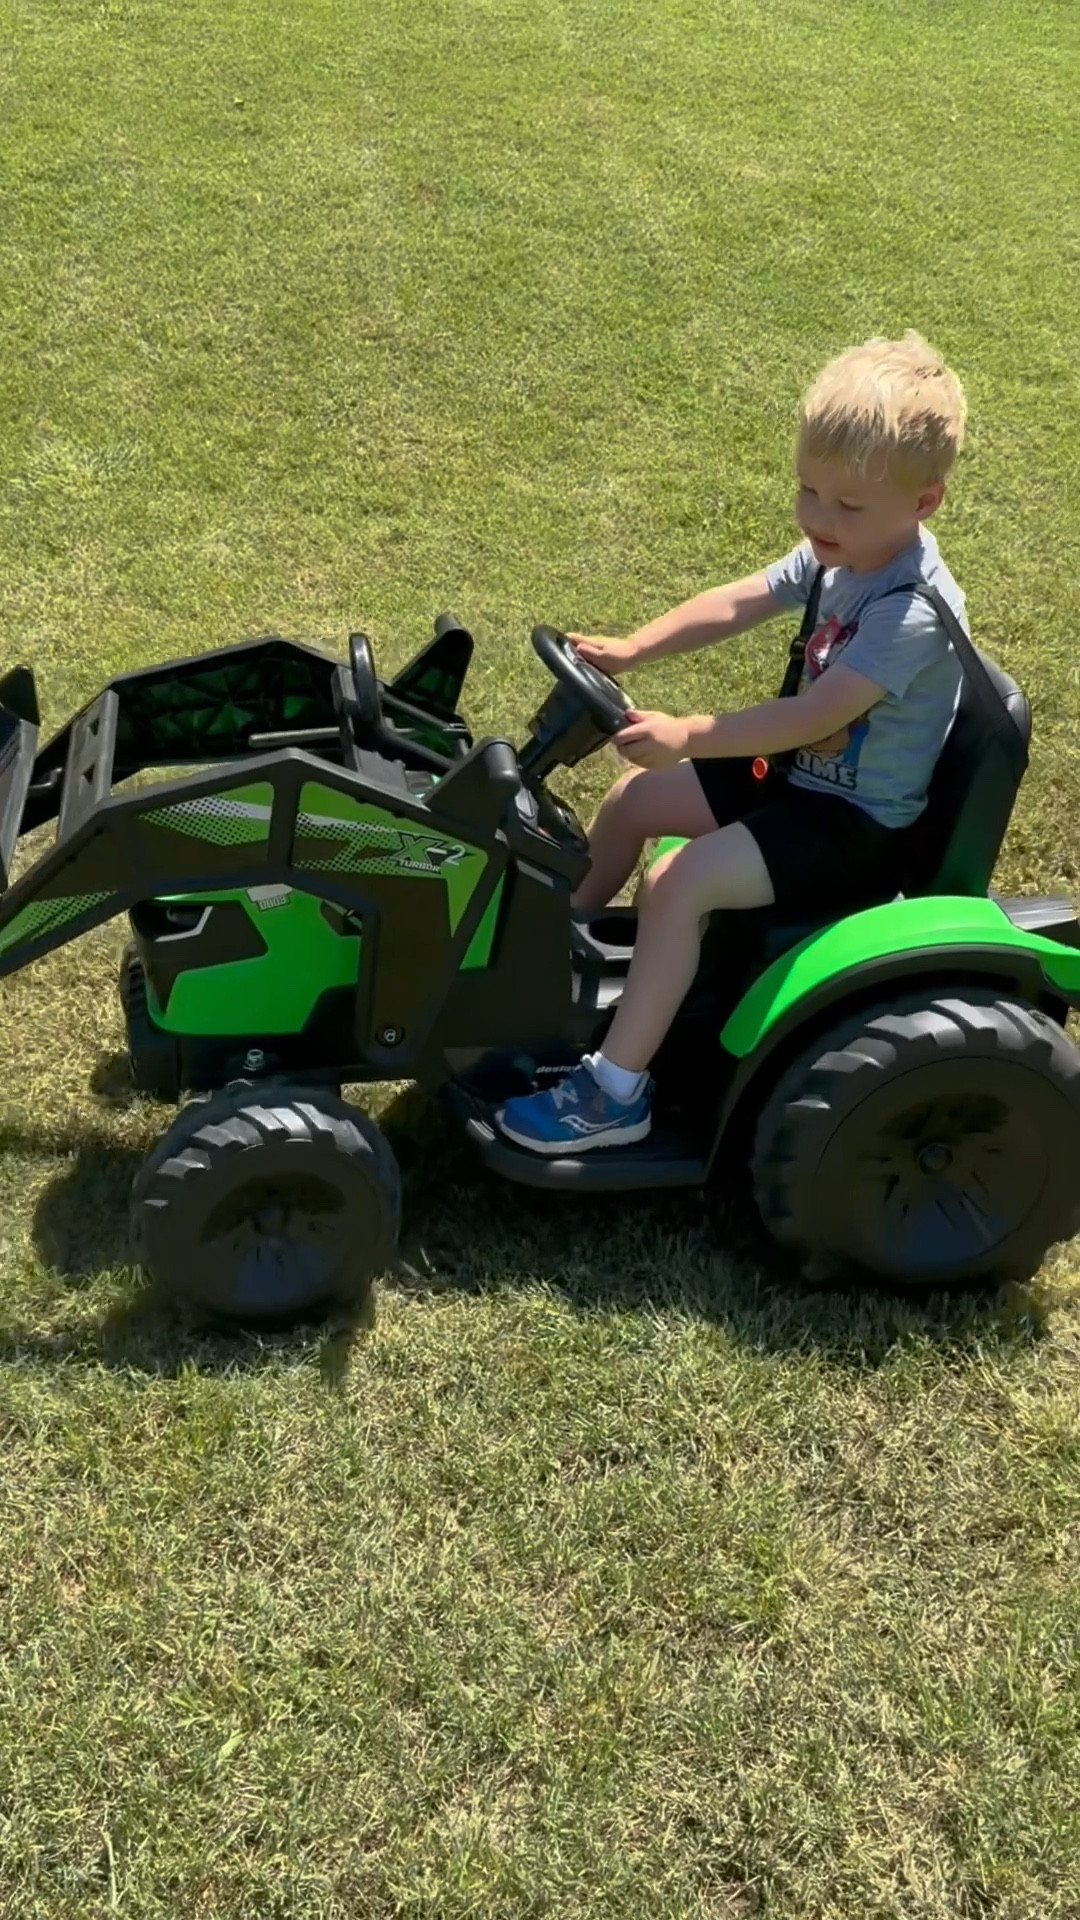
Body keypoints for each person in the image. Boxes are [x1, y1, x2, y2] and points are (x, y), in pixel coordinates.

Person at [496, 330, 968, 1154]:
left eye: (844, 505)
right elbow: (741, 600)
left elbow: (812, 717)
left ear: (923, 503)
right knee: (635, 799)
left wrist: (687, 736)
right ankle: (543, 972)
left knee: (679, 880)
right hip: (799, 783)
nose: (816, 518)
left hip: (854, 828)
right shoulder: (844, 554)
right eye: (807, 491)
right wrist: (637, 646)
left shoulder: (911, 611)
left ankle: (615, 1095)